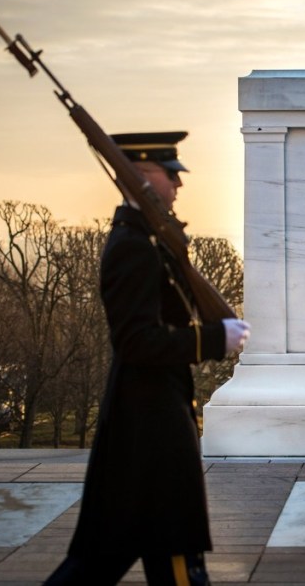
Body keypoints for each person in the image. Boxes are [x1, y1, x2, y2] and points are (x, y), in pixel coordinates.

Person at [45, 131, 250, 586]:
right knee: (171, 553)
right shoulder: (133, 247)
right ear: (138, 177)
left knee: (109, 553)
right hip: (150, 423)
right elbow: (137, 342)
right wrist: (212, 339)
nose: (179, 185)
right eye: (169, 175)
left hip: (150, 416)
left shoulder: (150, 240)